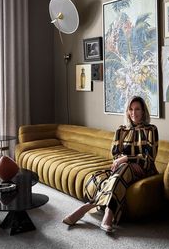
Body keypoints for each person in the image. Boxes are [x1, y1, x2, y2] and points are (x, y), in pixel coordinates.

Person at [62, 96, 159, 233]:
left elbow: (149, 158)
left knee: (124, 167)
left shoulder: (151, 130)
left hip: (144, 171)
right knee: (98, 177)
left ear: (143, 111)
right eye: (130, 109)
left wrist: (125, 159)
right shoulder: (121, 130)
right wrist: (126, 160)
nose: (133, 112)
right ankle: (100, 209)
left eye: (137, 109)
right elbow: (115, 154)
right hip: (123, 169)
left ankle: (95, 209)